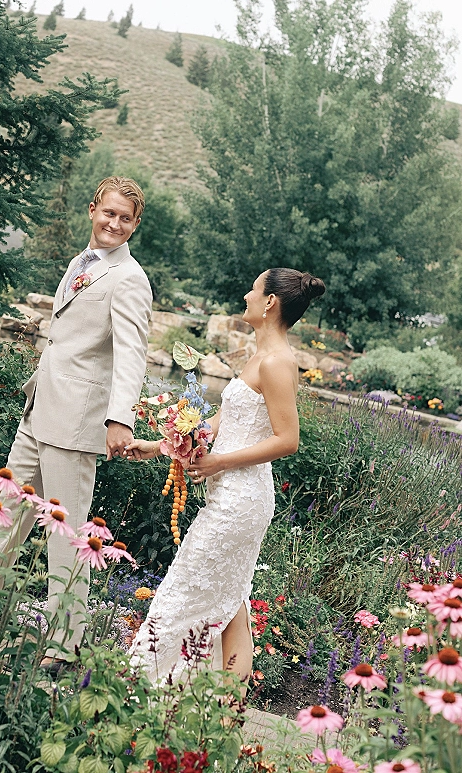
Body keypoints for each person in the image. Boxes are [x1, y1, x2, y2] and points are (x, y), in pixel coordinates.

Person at [124, 268, 325, 685]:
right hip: (229, 496)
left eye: (254, 289)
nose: (247, 295)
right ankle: (225, 709)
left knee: (184, 592)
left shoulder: (276, 362)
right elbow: (223, 420)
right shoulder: (258, 357)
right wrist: (160, 445)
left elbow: (288, 440)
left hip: (241, 500)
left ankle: (143, 684)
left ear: (270, 302)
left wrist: (218, 462)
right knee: (231, 602)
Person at [0, 176, 152, 668]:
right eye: (109, 213)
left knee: (68, 535)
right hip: (40, 409)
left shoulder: (129, 278)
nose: (114, 224)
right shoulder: (83, 263)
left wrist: (119, 418)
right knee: (3, 511)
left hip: (78, 422)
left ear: (135, 225)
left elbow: (131, 356)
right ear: (93, 209)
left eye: (125, 219)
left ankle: (65, 645)